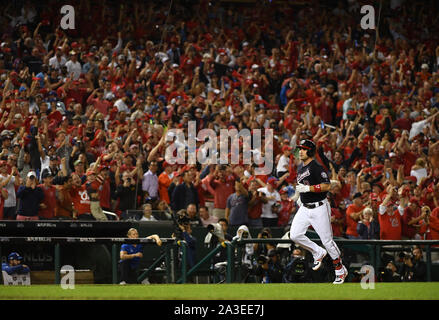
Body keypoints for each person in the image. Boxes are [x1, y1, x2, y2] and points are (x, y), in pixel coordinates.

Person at [290, 139, 348, 284]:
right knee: (295, 235)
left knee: (327, 241)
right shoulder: (301, 168)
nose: (300, 151)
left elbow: (326, 186)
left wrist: (309, 189)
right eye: (300, 149)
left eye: (303, 149)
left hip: (319, 207)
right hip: (304, 207)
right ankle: (317, 252)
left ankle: (340, 270)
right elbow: (302, 186)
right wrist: (299, 196)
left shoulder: (316, 167)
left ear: (310, 151)